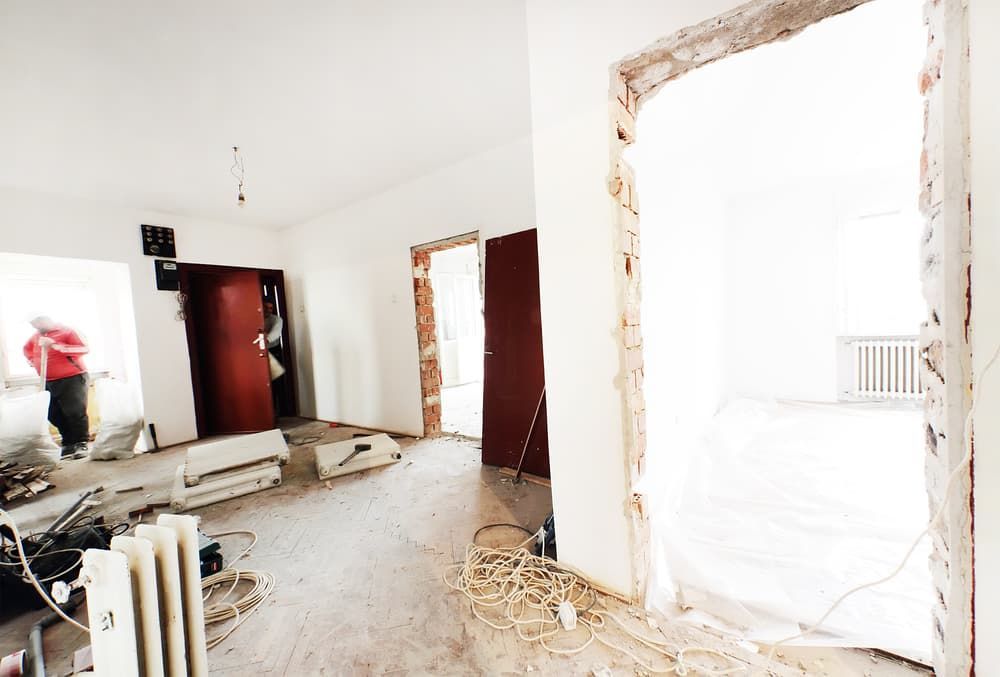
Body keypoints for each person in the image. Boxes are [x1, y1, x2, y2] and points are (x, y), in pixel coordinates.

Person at [22, 315, 90, 459]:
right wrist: (32, 360)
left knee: (75, 412)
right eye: (32, 324)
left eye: (37, 323)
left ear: (47, 319)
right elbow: (26, 349)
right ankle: (69, 442)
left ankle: (81, 443)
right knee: (52, 413)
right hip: (48, 380)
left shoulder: (67, 331)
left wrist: (55, 345)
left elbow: (84, 349)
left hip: (72, 377)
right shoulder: (35, 336)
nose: (35, 326)